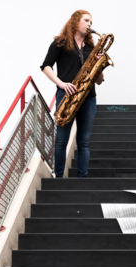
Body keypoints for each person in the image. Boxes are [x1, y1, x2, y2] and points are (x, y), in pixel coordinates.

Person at [40, 9, 103, 177]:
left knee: (84, 142)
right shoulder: (60, 43)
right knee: (61, 140)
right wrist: (61, 84)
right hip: (66, 95)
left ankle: (82, 179)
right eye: (86, 20)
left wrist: (99, 64)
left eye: (91, 21)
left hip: (88, 98)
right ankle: (58, 178)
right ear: (76, 21)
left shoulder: (91, 47)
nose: (90, 24)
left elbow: (99, 81)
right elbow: (45, 66)